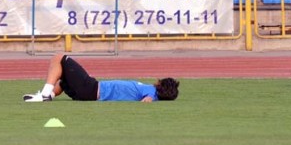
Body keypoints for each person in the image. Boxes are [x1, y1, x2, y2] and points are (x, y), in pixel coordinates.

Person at [22, 53, 179, 103]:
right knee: (64, 78)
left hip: (93, 89)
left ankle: (45, 94)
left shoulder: (151, 92)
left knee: (60, 58)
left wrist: (148, 100)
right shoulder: (152, 92)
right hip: (89, 93)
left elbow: (148, 99)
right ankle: (48, 95)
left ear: (161, 84)